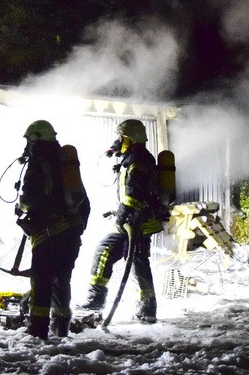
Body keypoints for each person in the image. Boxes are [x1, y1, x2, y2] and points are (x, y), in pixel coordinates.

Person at [80, 119, 165, 323]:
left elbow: (136, 192)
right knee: (115, 255)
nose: (118, 141)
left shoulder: (140, 158)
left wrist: (124, 211)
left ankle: (144, 308)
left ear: (130, 138)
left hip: (137, 222)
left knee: (134, 260)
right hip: (131, 221)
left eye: (121, 137)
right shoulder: (132, 157)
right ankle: (100, 301)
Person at [15, 120, 90, 340]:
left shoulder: (39, 162)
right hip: (71, 234)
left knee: (41, 282)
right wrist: (77, 229)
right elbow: (83, 201)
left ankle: (38, 332)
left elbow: (30, 198)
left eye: (29, 140)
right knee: (62, 280)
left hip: (48, 235)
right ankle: (61, 329)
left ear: (35, 139)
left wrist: (21, 206)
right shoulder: (66, 161)